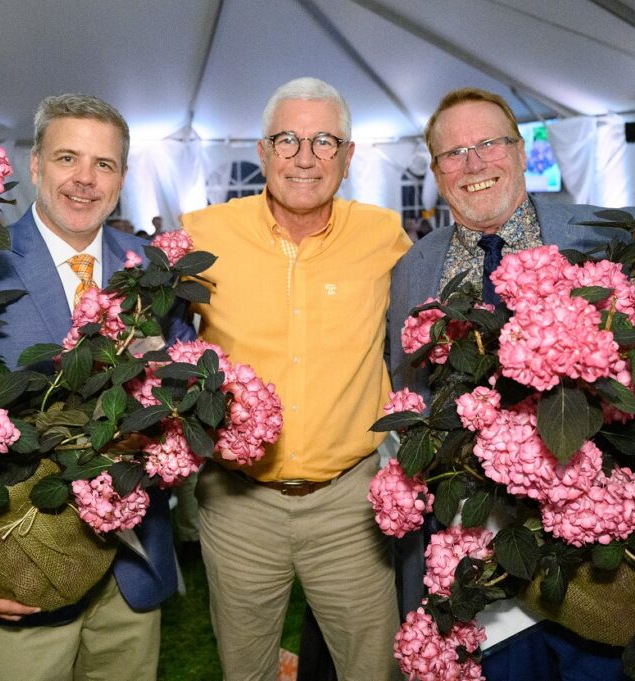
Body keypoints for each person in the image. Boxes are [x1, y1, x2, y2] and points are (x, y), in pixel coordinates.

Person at [387, 87, 635, 681]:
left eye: (488, 144)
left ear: (521, 151)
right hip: (478, 542)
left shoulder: (601, 237)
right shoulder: (412, 271)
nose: (473, 164)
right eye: (453, 153)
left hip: (592, 542)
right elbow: (411, 397)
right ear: (435, 171)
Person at [0, 93, 189, 681]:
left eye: (103, 164)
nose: (84, 179)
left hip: (131, 571)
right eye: (66, 158)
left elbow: (181, 392)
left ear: (123, 177)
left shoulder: (153, 272)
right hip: (14, 569)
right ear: (34, 166)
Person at [180, 77, 411, 681]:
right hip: (238, 506)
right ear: (261, 151)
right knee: (246, 671)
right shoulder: (202, 233)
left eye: (324, 141)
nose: (305, 158)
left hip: (350, 507)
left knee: (373, 669)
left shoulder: (384, 236)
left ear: (349, 155)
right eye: (287, 140)